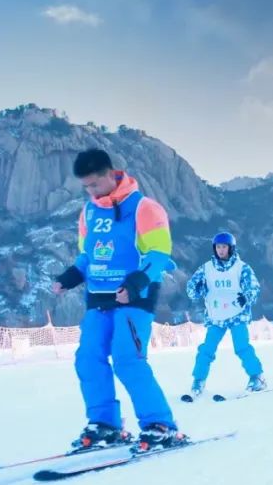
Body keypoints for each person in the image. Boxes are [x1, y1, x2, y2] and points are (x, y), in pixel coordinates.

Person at [52, 149, 184, 453]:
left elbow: (158, 255)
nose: (91, 191)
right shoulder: (88, 212)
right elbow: (88, 256)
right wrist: (69, 277)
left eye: (95, 184)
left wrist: (135, 284)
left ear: (111, 174)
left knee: (127, 359)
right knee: (88, 359)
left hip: (134, 298)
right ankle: (105, 425)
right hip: (98, 298)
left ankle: (160, 426)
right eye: (86, 187)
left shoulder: (145, 208)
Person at [184, 232, 266, 398]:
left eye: (224, 247)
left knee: (242, 347)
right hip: (216, 316)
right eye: (218, 247)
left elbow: (254, 287)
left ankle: (257, 377)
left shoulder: (242, 268)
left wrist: (246, 297)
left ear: (231, 248)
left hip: (237, 314)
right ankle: (198, 381)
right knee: (207, 349)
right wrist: (196, 289)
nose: (221, 250)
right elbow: (191, 287)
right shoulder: (206, 268)